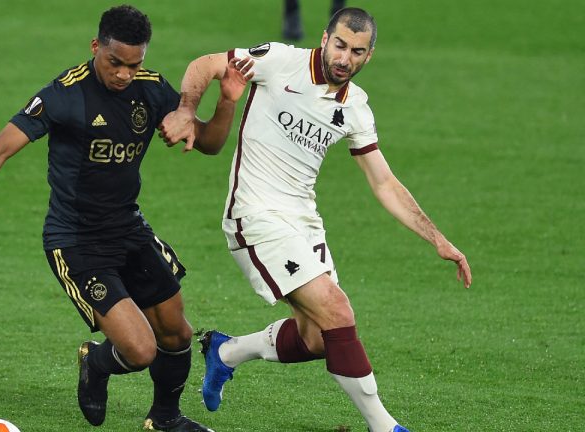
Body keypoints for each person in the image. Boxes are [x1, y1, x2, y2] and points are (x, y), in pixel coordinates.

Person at [0, 5, 252, 431]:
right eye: (115, 62)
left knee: (178, 334)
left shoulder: (150, 90)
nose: (123, 74)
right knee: (139, 351)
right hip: (75, 241)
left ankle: (165, 419)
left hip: (129, 230)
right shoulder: (64, 95)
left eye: (134, 65)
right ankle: (96, 364)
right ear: (96, 47)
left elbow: (208, 142)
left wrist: (226, 102)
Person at [159, 7, 472, 432]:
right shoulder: (280, 60)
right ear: (325, 39)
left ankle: (226, 352)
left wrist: (437, 239)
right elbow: (206, 64)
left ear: (369, 56)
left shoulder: (356, 107)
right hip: (255, 215)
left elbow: (383, 182)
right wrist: (186, 108)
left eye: (357, 51)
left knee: (319, 339)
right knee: (338, 311)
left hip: (304, 222)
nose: (345, 58)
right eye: (340, 45)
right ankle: (385, 427)